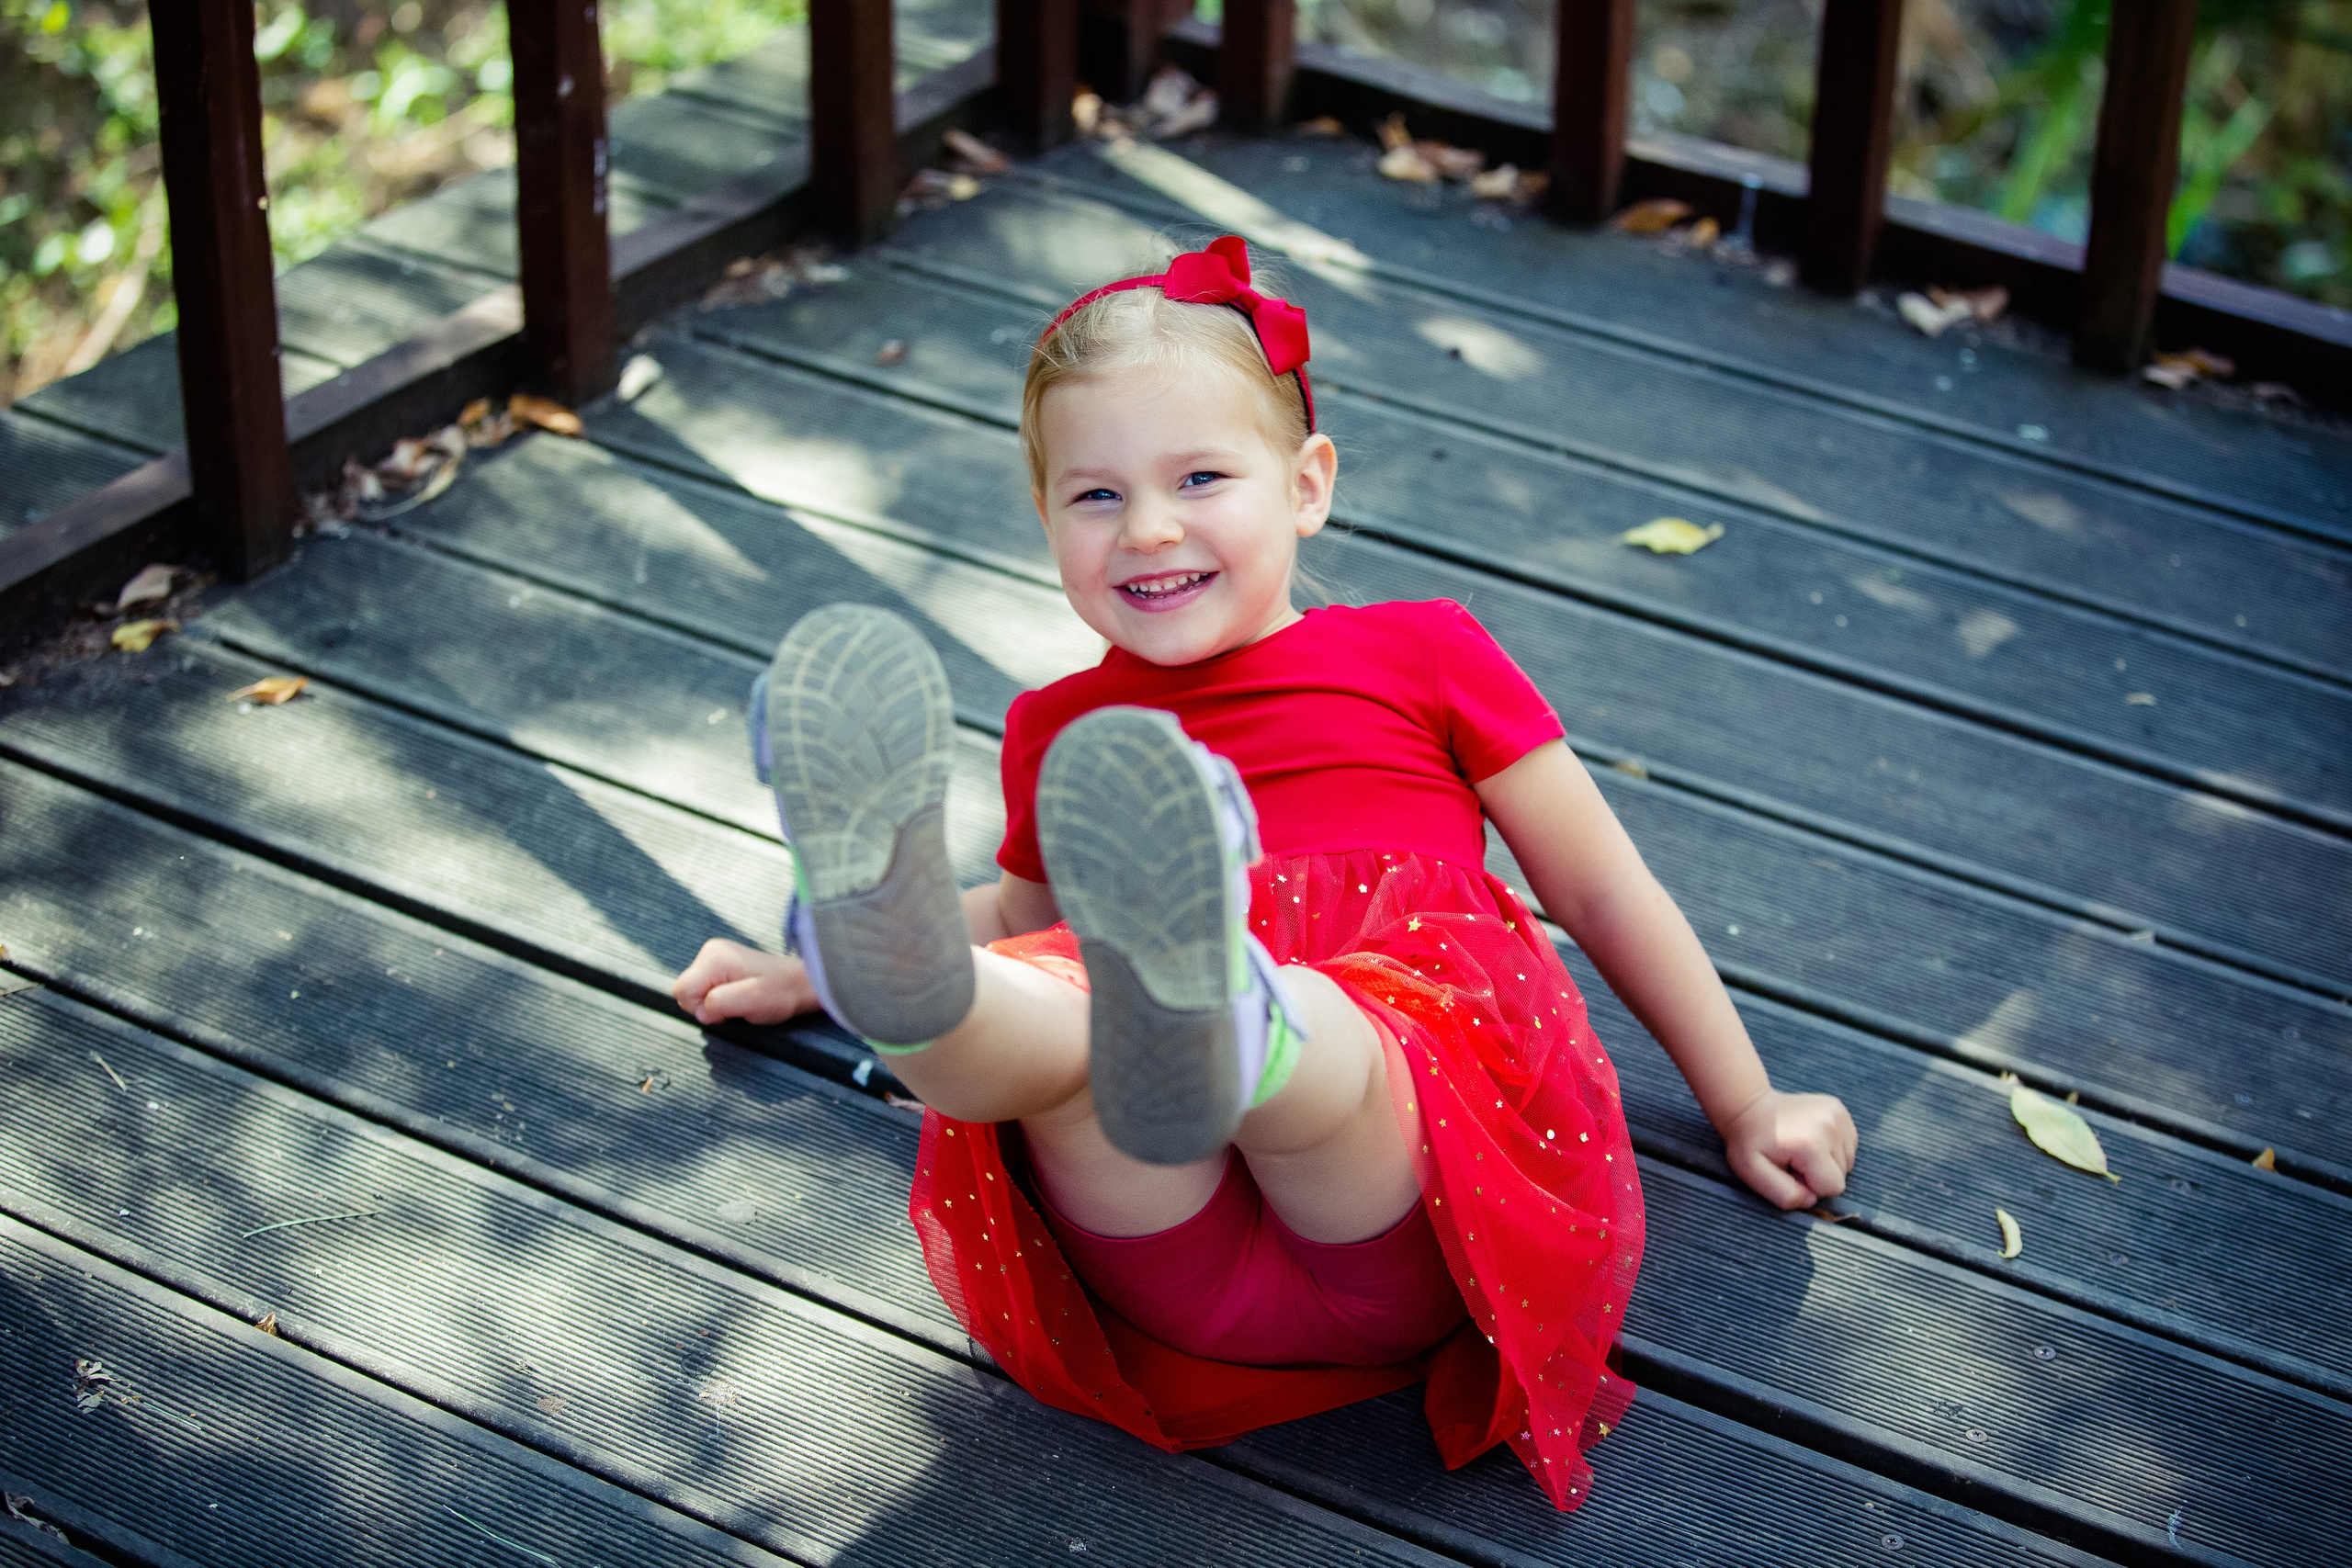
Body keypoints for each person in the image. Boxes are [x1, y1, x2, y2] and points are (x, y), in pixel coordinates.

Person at [672, 235, 1857, 1508]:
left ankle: (1225, 1005)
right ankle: (902, 982)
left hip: (1415, 1216)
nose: (1151, 528)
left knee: (1337, 1032)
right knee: (1066, 1019)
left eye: (1199, 476)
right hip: (1165, 1267)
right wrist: (810, 976)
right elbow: (1025, 923)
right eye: (1097, 497)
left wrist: (1746, 1103)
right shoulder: (1056, 732)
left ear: (1307, 485)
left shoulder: (1423, 656)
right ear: (1046, 521)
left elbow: (1603, 889)